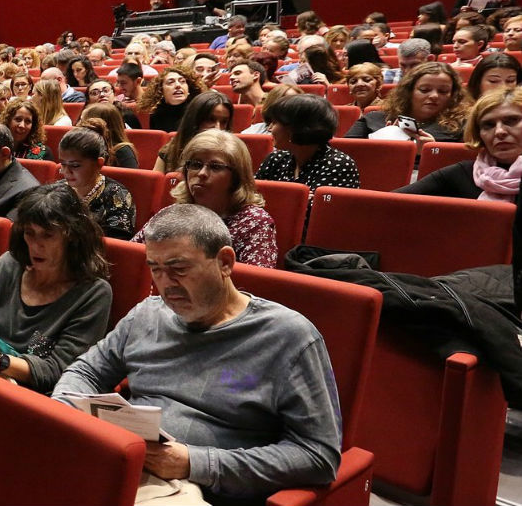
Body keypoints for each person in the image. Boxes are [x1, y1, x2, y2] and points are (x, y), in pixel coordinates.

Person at [53, 205, 342, 502]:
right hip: (124, 460)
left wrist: (196, 462)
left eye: (179, 269)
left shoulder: (288, 337)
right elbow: (84, 372)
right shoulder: (147, 315)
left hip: (199, 487)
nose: (165, 284)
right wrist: (69, 418)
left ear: (225, 262)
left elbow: (318, 455)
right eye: (155, 269)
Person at [0, 184, 113, 394]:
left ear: (72, 236)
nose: (36, 246)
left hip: (33, 397)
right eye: (29, 233)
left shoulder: (94, 293)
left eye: (48, 235)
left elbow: (61, 371)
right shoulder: (10, 265)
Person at [143, 130, 277, 268]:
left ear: (236, 177)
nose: (202, 173)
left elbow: (254, 284)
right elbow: (134, 258)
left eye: (215, 167)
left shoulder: (254, 222)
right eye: (196, 165)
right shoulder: (172, 214)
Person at [398, 87, 522, 200]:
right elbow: (386, 204)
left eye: (511, 121)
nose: (499, 131)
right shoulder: (462, 174)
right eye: (488, 125)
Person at [258, 94, 361, 192]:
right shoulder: (275, 159)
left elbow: (320, 208)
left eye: (275, 122)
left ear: (294, 128)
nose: (269, 128)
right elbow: (251, 198)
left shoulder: (339, 164)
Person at [345, 62, 467, 143]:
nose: (434, 96)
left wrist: (432, 151)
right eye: (424, 90)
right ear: (409, 91)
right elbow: (343, 154)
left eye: (443, 91)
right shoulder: (374, 118)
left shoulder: (462, 126)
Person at [57, 127, 135, 240]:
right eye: (63, 164)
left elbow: (116, 245)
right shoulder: (58, 189)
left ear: (99, 163)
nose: (66, 171)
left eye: (75, 165)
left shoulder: (116, 195)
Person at [154, 91, 234, 173]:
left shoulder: (232, 153)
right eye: (210, 120)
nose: (218, 128)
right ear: (194, 120)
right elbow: (157, 184)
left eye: (224, 122)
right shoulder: (171, 150)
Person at [138, 66, 204, 133]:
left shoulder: (199, 110)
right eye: (170, 82)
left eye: (182, 81)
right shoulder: (156, 114)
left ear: (189, 89)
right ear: (161, 90)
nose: (178, 85)